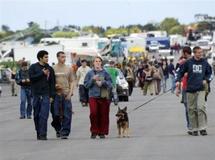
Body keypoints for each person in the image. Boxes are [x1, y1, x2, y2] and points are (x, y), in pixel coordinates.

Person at [176, 46, 212, 136]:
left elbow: (210, 73)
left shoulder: (205, 62)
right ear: (194, 53)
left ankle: (202, 128)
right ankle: (194, 128)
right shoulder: (188, 62)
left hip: (201, 88)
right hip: (190, 89)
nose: (201, 54)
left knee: (200, 108)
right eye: (199, 53)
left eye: (201, 52)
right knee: (191, 109)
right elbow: (180, 72)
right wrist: (178, 81)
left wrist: (206, 80)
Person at [29, 50, 55, 140]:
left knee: (44, 115)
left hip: (46, 94)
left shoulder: (50, 68)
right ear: (40, 58)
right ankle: (38, 131)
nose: (47, 58)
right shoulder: (33, 67)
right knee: (36, 115)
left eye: (47, 57)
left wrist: (52, 96)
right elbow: (31, 78)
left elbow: (52, 83)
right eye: (45, 57)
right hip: (36, 94)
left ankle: (43, 134)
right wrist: (42, 73)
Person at [84, 56, 112, 139]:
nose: (97, 63)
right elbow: (86, 85)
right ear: (93, 63)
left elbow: (110, 84)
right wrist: (92, 80)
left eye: (99, 61)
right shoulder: (90, 73)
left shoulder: (105, 72)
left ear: (101, 63)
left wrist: (102, 82)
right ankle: (94, 131)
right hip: (93, 96)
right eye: (96, 61)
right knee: (94, 113)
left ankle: (102, 132)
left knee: (103, 115)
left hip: (103, 96)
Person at [51, 51, 75, 139]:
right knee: (55, 114)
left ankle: (65, 132)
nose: (63, 59)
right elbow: (50, 82)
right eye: (62, 57)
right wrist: (55, 86)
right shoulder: (53, 68)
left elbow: (72, 81)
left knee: (67, 114)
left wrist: (70, 92)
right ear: (57, 57)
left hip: (66, 94)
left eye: (64, 57)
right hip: (56, 94)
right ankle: (58, 128)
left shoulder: (69, 68)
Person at [175, 46, 192, 134]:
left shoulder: (194, 61)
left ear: (185, 53)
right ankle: (191, 125)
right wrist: (177, 87)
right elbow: (178, 74)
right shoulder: (182, 62)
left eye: (182, 52)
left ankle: (193, 125)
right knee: (188, 107)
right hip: (185, 87)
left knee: (191, 108)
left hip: (192, 87)